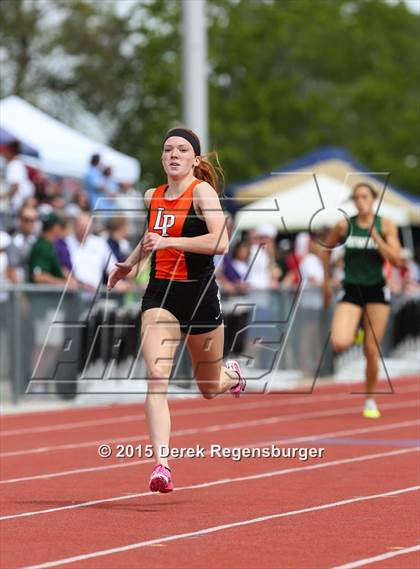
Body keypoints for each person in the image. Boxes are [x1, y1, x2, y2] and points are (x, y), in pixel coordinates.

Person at [107, 127, 246, 493]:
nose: (174, 154)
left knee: (209, 387)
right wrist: (129, 263)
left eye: (183, 150)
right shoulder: (151, 195)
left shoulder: (202, 191)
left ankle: (232, 375)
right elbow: (151, 235)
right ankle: (162, 466)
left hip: (199, 296)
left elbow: (221, 240)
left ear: (195, 159)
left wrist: (170, 241)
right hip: (160, 297)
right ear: (161, 158)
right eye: (168, 149)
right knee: (156, 375)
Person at [322, 183, 403, 419]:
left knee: (371, 350)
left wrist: (376, 237)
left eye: (364, 196)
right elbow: (325, 250)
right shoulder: (345, 225)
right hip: (352, 289)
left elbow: (397, 260)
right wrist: (327, 283)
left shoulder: (385, 224)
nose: (360, 201)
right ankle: (357, 327)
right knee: (339, 342)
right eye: (356, 197)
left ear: (373, 199)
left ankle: (369, 399)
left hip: (377, 291)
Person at [2, 140, 34, 214]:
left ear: (9, 152)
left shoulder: (14, 165)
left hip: (15, 206)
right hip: (20, 204)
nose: (4, 154)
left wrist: (2, 198)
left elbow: (15, 187)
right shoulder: (18, 164)